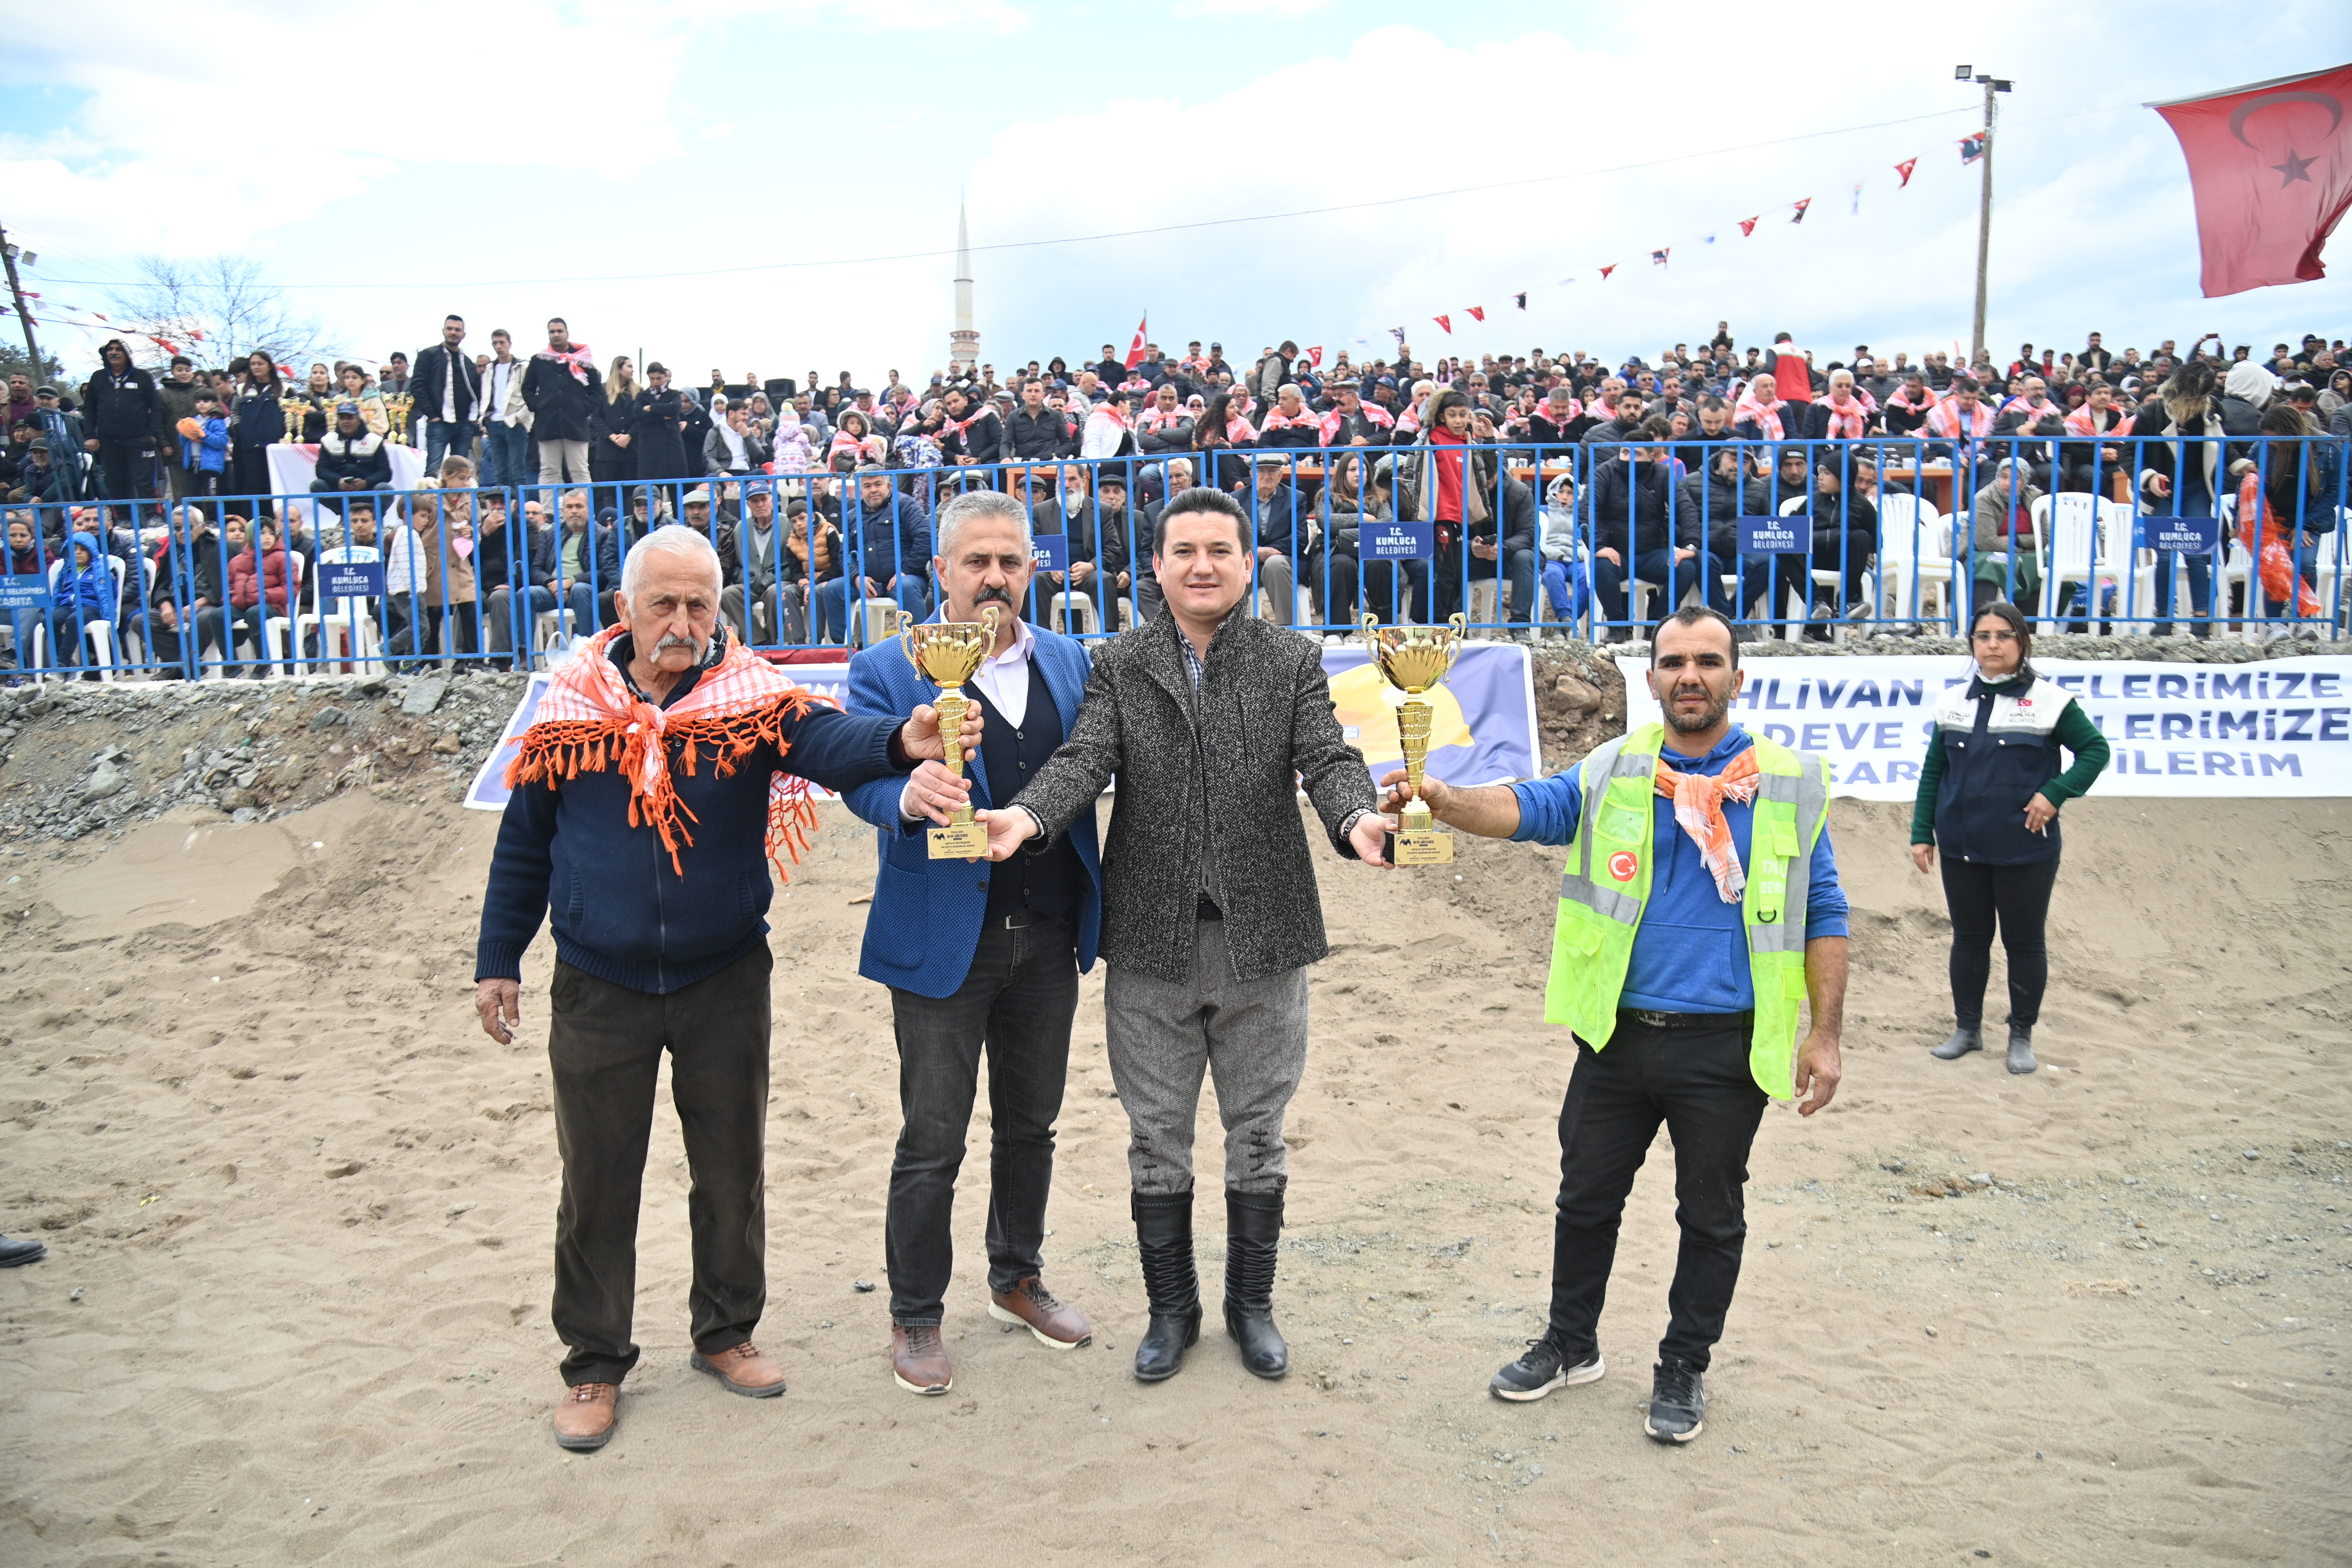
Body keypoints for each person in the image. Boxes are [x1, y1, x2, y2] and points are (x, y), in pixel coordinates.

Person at [472, 525, 981, 1451]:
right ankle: (593, 1363)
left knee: (732, 1167)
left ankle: (727, 1331)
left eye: (699, 604)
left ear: (719, 609)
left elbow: (829, 739)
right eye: (662, 602)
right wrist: (498, 956)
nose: (681, 621)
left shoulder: (752, 700)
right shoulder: (569, 708)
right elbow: (524, 843)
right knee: (596, 1179)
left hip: (725, 975)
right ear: (623, 609)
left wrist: (904, 739)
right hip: (597, 981)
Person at [1385, 606, 1846, 1443]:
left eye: (1708, 660)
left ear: (1738, 678)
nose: (1690, 675)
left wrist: (1826, 1034)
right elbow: (1528, 806)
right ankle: (1571, 1343)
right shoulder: (1615, 767)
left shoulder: (1788, 777)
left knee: (1711, 1214)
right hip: (1617, 1034)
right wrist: (1443, 797)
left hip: (1727, 1045)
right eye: (1673, 661)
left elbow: (1824, 909)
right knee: (1585, 1198)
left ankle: (1684, 1363)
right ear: (1652, 679)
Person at [977, 487, 1388, 1386]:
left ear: (1249, 563)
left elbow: (1326, 755)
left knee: (1259, 1132)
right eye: (1184, 549)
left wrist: (1357, 819)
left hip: (1266, 937)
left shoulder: (1290, 657)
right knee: (1156, 1134)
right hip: (1152, 939)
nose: (1203, 564)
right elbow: (1086, 758)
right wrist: (1028, 817)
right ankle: (1174, 1308)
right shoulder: (1119, 661)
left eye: (1220, 549)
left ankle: (1251, 1306)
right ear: (1155, 566)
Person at [842, 489, 1105, 1395]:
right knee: (933, 1136)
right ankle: (916, 1313)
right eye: (976, 561)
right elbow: (858, 773)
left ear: (1032, 570)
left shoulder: (1072, 659)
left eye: (1011, 562)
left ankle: (1016, 1276)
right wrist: (901, 797)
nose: (995, 577)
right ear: (940, 571)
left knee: (1032, 1124)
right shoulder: (886, 665)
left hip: (1051, 931)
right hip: (942, 937)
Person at [1912, 603, 2110, 1074]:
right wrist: (1923, 832)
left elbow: (2095, 750)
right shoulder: (1952, 701)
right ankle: (1968, 1029)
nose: (1993, 644)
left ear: (2022, 642)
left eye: (2004, 635)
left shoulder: (2051, 701)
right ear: (1972, 644)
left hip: (2025, 847)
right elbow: (1934, 771)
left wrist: (2054, 794)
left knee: (2023, 943)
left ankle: (2021, 1036)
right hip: (1961, 844)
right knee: (1970, 939)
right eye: (1983, 636)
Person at [2135, 360, 2223, 637]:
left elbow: (2223, 447)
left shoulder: (2212, 410)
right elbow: (2130, 454)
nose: (2200, 402)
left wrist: (2241, 464)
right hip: (2163, 492)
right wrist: (2150, 477)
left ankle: (2201, 619)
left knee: (2198, 553)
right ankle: (2163, 618)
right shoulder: (2152, 413)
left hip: (2197, 488)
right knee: (2164, 556)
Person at [81, 340, 162, 516]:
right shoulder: (98, 377)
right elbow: (90, 408)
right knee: (116, 482)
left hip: (140, 439)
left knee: (145, 482)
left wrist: (153, 434)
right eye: (110, 350)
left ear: (127, 354)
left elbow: (157, 407)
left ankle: (154, 517)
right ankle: (123, 519)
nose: (114, 352)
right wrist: (89, 435)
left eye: (119, 349)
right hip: (109, 440)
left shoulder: (143, 377)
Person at [522, 319, 604, 493]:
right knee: (548, 471)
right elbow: (527, 388)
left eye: (560, 331)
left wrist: (585, 408)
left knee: (580, 470)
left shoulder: (583, 358)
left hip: (576, 424)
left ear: (567, 333)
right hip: (547, 424)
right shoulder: (539, 360)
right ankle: (547, 513)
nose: (556, 335)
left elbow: (597, 389)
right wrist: (538, 406)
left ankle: (585, 511)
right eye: (552, 332)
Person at [413, 315, 483, 470]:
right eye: (450, 329)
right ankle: (431, 496)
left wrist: (474, 417)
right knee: (433, 470)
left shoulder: (467, 361)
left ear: (464, 335)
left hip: (464, 424)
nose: (453, 332)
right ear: (443, 331)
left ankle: (458, 496)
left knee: (461, 472)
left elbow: (477, 390)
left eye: (458, 330)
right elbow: (418, 386)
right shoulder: (428, 356)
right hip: (439, 423)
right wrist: (433, 415)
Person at [480, 329, 530, 490]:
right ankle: (505, 510)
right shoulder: (489, 369)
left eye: (502, 343)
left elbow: (531, 394)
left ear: (510, 343)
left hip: (514, 422)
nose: (499, 346)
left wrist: (520, 417)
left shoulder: (522, 366)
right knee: (501, 473)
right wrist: (484, 419)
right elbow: (485, 395)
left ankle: (522, 511)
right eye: (495, 343)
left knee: (518, 472)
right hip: (494, 422)